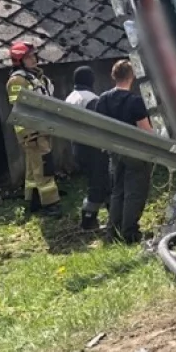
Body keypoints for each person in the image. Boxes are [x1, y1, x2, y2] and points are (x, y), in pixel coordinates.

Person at [94, 60, 153, 244]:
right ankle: (130, 232)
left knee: (118, 191)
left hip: (114, 151)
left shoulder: (103, 99)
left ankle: (113, 231)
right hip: (135, 153)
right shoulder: (135, 101)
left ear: (114, 76)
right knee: (134, 192)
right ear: (132, 76)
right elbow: (145, 130)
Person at [6, 42, 62, 217]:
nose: (34, 59)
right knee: (44, 167)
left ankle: (34, 199)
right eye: (29, 57)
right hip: (32, 132)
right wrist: (30, 133)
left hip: (42, 128)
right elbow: (19, 107)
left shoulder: (36, 77)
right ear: (19, 61)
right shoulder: (17, 80)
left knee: (33, 167)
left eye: (34, 56)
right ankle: (51, 203)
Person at [65, 66, 109, 231]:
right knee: (98, 185)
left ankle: (114, 217)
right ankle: (88, 222)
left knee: (102, 183)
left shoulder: (70, 97)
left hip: (77, 147)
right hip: (93, 148)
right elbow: (99, 125)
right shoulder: (91, 99)